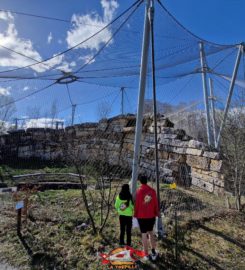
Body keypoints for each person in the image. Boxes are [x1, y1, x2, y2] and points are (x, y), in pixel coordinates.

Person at [134, 175, 159, 261]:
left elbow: (136, 204)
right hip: (151, 216)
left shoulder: (138, 191)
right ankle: (154, 251)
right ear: (147, 181)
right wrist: (157, 212)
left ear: (140, 182)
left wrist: (135, 214)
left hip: (141, 216)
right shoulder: (152, 191)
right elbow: (156, 203)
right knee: (151, 233)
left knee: (144, 234)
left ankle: (146, 253)